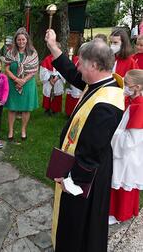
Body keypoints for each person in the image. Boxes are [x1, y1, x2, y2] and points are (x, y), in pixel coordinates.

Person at [45, 29, 124, 252]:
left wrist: (71, 181)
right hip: (85, 166)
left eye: (81, 63)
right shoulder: (100, 83)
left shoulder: (107, 105)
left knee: (79, 223)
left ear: (95, 66)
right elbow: (72, 73)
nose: (77, 66)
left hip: (88, 177)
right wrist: (53, 45)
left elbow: (91, 152)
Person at [109, 69, 143, 225]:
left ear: (137, 87)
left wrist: (112, 133)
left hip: (128, 153)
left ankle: (119, 213)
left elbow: (131, 139)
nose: (125, 87)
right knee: (117, 177)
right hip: (125, 150)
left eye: (127, 84)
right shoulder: (131, 100)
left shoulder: (140, 106)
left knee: (123, 179)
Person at [4, 27, 39, 140]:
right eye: (19, 40)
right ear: (15, 40)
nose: (21, 42)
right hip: (13, 83)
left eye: (23, 39)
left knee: (26, 108)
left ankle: (23, 129)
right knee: (12, 108)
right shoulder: (10, 52)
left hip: (28, 83)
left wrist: (23, 80)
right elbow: (7, 69)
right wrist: (16, 79)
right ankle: (11, 130)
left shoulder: (33, 53)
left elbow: (34, 70)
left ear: (27, 40)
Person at [40, 46, 65, 115]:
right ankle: (47, 109)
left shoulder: (62, 59)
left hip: (58, 80)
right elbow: (43, 70)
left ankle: (55, 110)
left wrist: (57, 77)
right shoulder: (47, 59)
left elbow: (64, 70)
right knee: (48, 92)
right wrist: (50, 79)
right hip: (49, 80)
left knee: (57, 93)